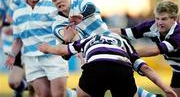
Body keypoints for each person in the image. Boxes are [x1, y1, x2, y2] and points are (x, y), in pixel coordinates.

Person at [49, 0, 164, 97]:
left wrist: (80, 17)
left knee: (99, 85)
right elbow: (65, 55)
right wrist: (67, 41)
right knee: (117, 80)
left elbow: (91, 8)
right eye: (54, 0)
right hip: (90, 53)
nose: (58, 1)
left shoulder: (80, 3)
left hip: (111, 43)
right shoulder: (57, 25)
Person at [38, 27, 177, 97]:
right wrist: (165, 88)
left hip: (95, 69)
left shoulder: (90, 39)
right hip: (121, 71)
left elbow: (63, 50)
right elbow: (146, 68)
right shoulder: (124, 44)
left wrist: (47, 48)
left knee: (82, 94)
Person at [5, 0, 69, 97]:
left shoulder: (52, 6)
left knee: (58, 95)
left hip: (53, 56)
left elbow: (65, 28)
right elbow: (18, 39)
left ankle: (70, 94)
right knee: (44, 95)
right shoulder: (18, 12)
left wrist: (69, 46)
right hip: (31, 60)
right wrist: (12, 54)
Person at [112, 0, 180, 97]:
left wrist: (126, 53)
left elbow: (156, 50)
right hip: (177, 70)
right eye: (157, 18)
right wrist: (100, 33)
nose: (159, 22)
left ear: (174, 19)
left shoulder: (178, 33)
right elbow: (124, 32)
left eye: (164, 19)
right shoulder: (150, 26)